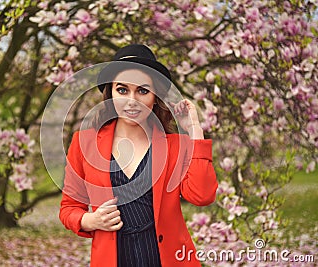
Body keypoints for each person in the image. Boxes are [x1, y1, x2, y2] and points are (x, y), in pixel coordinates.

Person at [59, 44, 218, 267]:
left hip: (165, 259)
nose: (131, 100)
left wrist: (194, 130)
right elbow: (69, 208)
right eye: (122, 90)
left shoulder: (176, 145)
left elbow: (202, 196)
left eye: (142, 91)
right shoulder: (84, 143)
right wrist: (90, 220)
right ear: (110, 93)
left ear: (155, 97)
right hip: (114, 259)